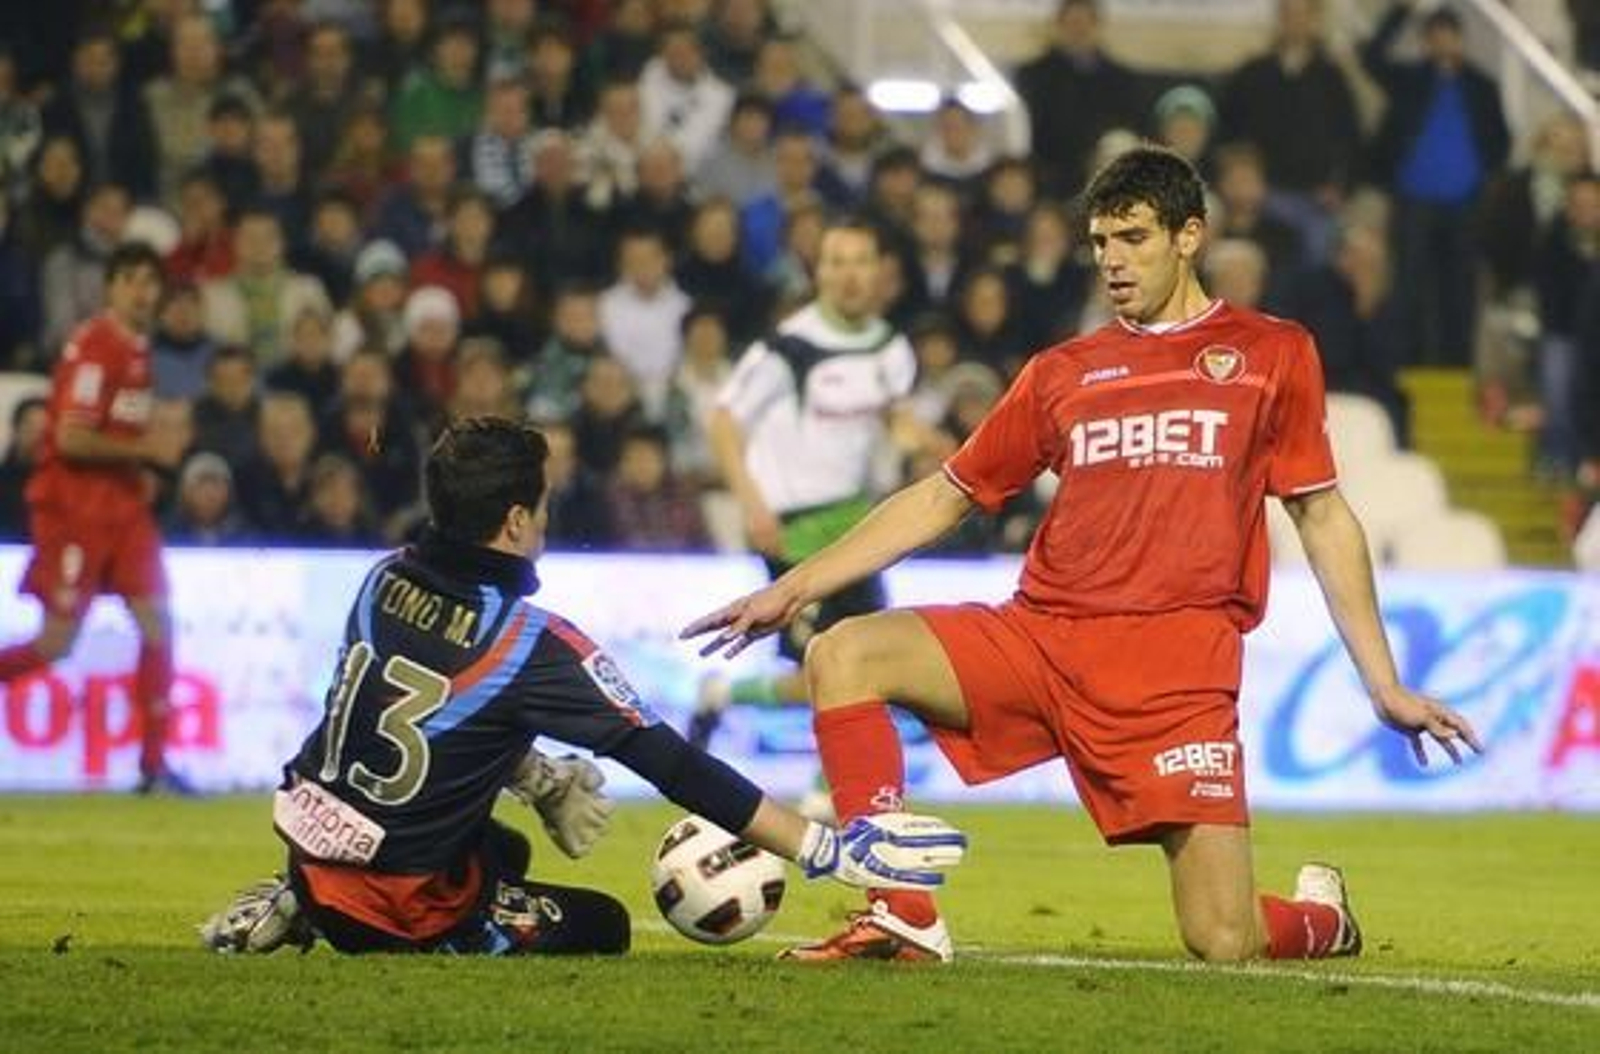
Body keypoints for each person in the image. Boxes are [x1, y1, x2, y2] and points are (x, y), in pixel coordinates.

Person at [683, 147, 1484, 963]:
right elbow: (947, 492)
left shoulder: (1271, 353)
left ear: (1190, 236)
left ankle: (1323, 921)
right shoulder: (1065, 371)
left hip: (1176, 669)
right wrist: (797, 585)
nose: (1112, 260)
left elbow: (1321, 513)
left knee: (1222, 938)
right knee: (843, 652)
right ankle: (901, 910)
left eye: (1133, 237)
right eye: (1100, 242)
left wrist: (1383, 684)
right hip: (1041, 639)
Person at [198, 417, 964, 956]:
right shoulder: (532, 642)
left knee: (504, 847)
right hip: (399, 904)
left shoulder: (380, 580)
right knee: (603, 927)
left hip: (309, 844)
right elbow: (671, 763)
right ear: (515, 520)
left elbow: (403, 712)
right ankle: (351, 918)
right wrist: (821, 846)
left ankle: (299, 894)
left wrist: (532, 774)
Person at [687, 219, 917, 763]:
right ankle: (822, 791)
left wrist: (936, 446)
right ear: (820, 273)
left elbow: (896, 423)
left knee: (867, 668)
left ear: (879, 271)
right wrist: (752, 503)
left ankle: (725, 697)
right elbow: (724, 420)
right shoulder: (788, 347)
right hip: (793, 531)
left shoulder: (890, 347)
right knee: (831, 671)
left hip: (857, 527)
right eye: (837, 263)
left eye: (860, 261)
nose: (850, 275)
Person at [0, 242, 188, 792]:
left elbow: (116, 435)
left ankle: (153, 768)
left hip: (123, 509)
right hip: (73, 510)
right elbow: (71, 437)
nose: (143, 291)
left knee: (158, 622)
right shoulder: (94, 345)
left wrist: (142, 470)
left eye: (151, 281)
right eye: (131, 279)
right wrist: (146, 451)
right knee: (58, 643)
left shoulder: (137, 350)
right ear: (111, 287)